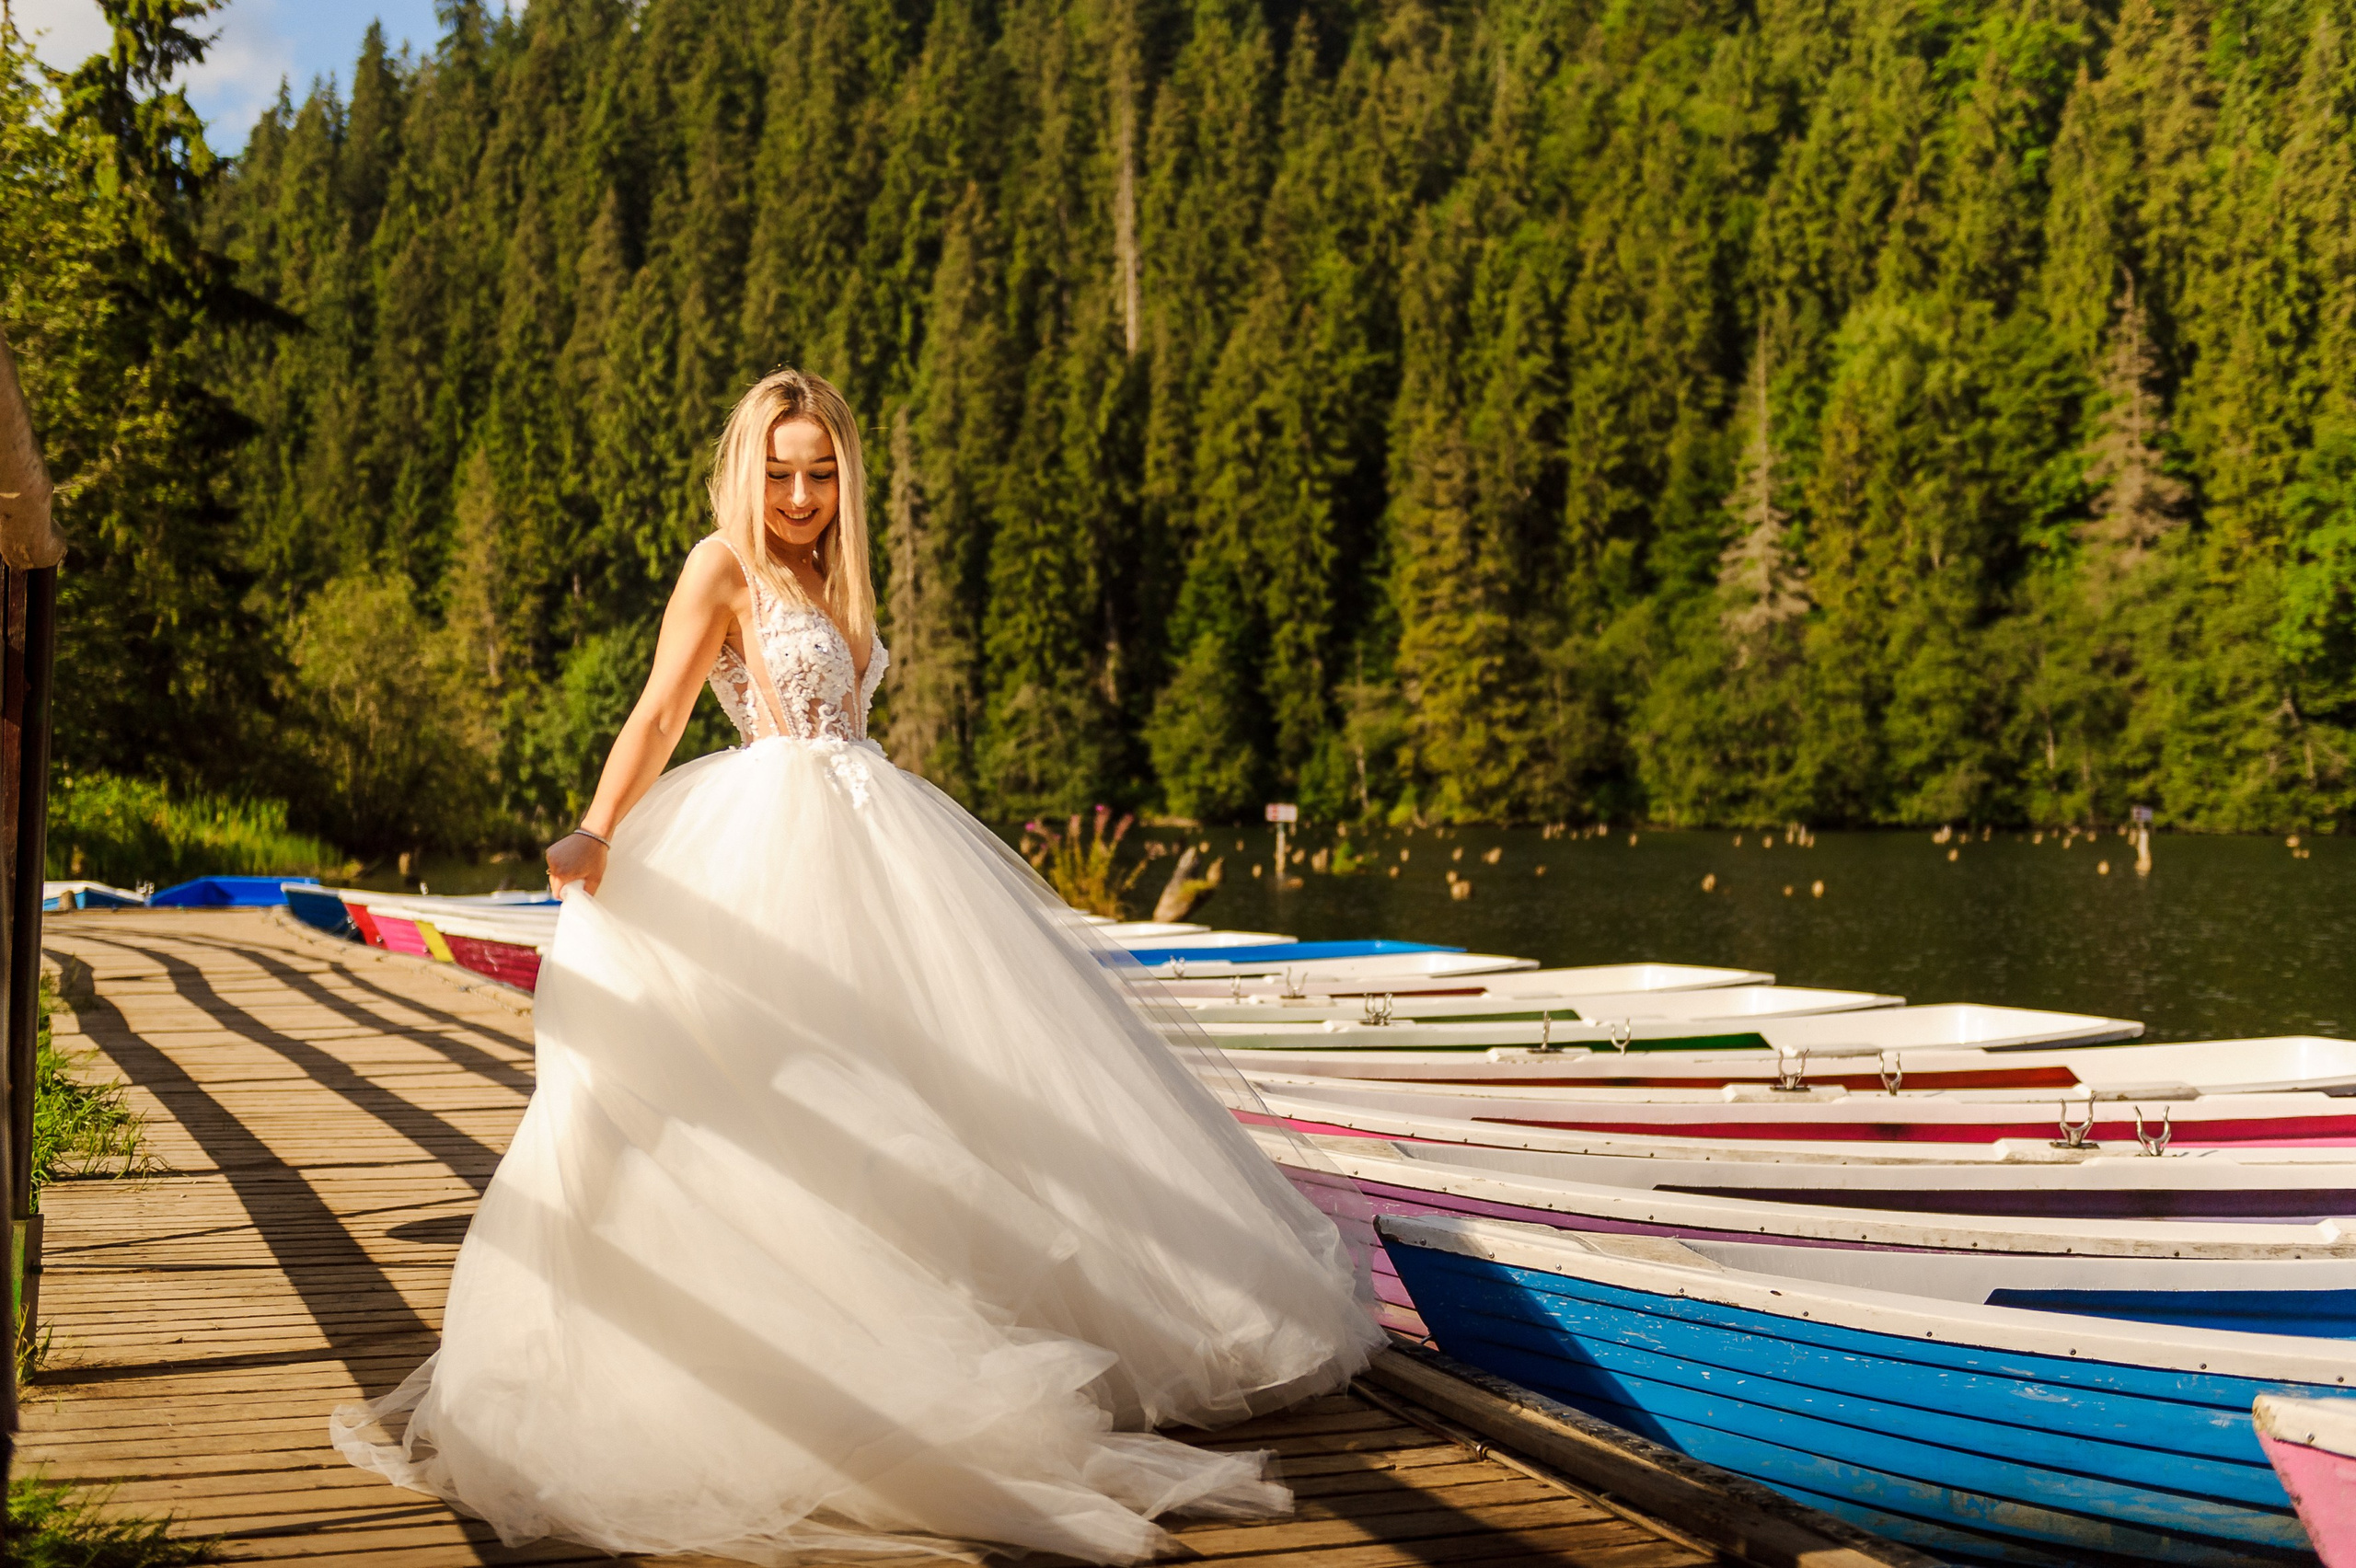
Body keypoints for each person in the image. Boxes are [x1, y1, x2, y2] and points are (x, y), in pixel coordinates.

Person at [331, 368, 1382, 1564]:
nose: (797, 493)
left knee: (944, 1080)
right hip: (769, 841)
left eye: (819, 472)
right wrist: (599, 827)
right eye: (779, 471)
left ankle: (991, 1319)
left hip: (878, 835)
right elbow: (662, 712)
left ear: (845, 473)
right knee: (780, 1098)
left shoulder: (841, 573)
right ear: (746, 468)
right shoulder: (720, 565)